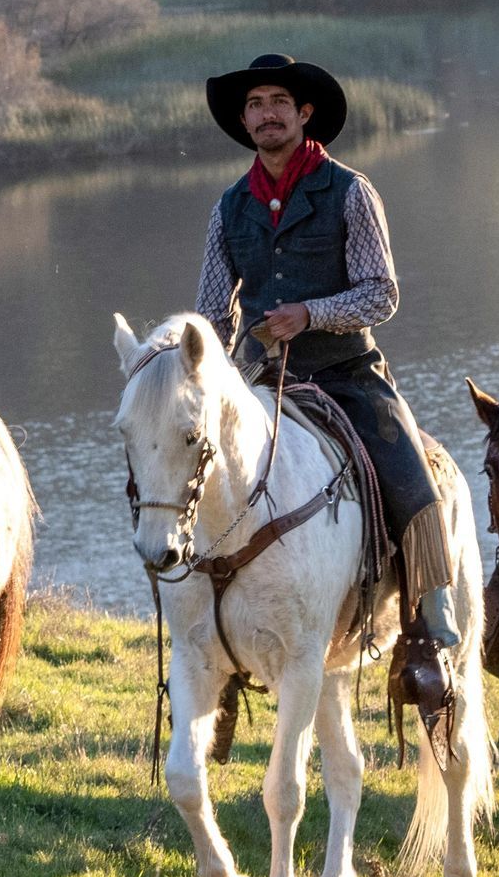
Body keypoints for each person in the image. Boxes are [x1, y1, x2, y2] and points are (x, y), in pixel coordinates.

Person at [194, 53, 457, 700]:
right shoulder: (227, 209)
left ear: (304, 112)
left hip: (347, 373)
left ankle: (429, 630)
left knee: (411, 478)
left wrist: (311, 313)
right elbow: (209, 313)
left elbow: (381, 294)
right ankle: (213, 640)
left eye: (278, 101)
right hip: (261, 383)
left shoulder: (350, 190)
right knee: (193, 484)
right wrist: (212, 377)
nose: (266, 114)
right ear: (244, 118)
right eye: (254, 104)